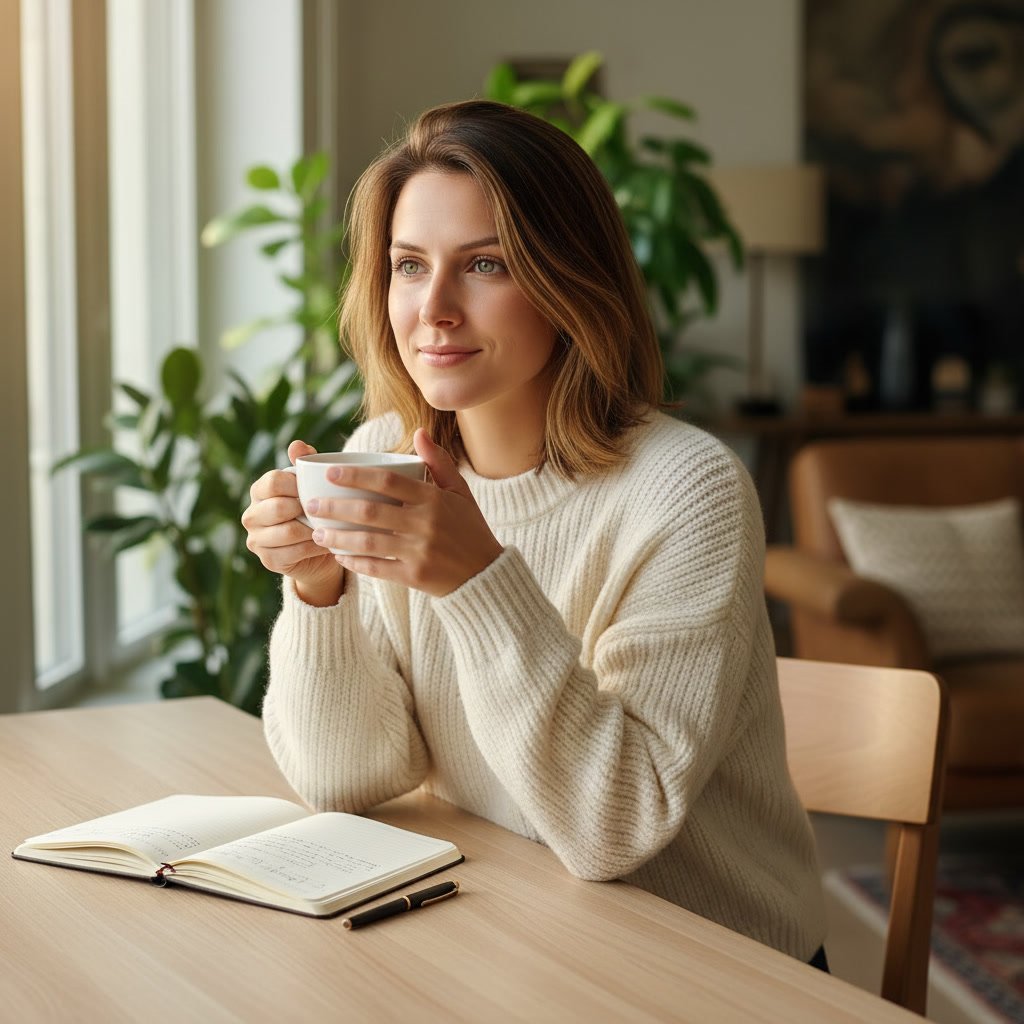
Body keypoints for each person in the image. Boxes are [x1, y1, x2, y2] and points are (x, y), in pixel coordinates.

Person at [242, 99, 828, 966]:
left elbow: (613, 827)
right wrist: (317, 589)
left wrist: (477, 581)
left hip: (714, 966)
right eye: (409, 265)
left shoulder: (685, 491)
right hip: (514, 934)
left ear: (569, 280)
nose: (433, 308)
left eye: (484, 263)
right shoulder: (383, 460)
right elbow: (347, 778)